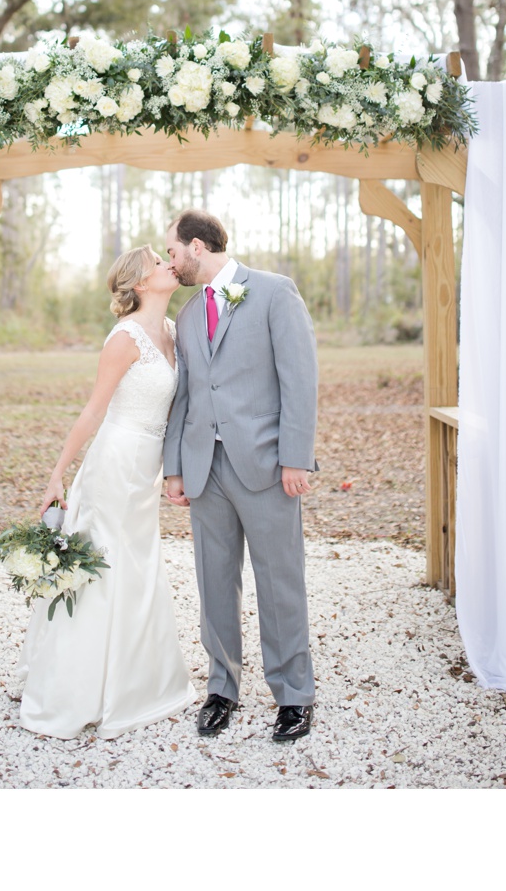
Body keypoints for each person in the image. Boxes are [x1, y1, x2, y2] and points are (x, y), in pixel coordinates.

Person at [16, 246, 194, 738]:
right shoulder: (124, 338)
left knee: (137, 566)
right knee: (107, 567)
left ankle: (139, 679)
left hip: (148, 468)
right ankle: (77, 687)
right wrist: (58, 474)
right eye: (159, 263)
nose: (168, 266)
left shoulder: (175, 332)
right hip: (115, 462)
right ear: (140, 283)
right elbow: (93, 411)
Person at [161, 209, 320, 743]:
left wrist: (296, 456)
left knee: (280, 582)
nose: (171, 262)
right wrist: (175, 469)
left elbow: (300, 378)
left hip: (269, 465)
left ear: (198, 247)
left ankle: (294, 695)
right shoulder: (185, 317)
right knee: (213, 582)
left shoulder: (275, 292)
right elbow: (184, 397)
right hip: (206, 467)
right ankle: (222, 689)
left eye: (174, 252)